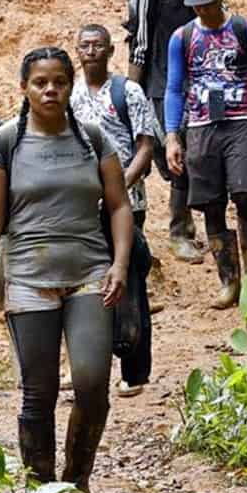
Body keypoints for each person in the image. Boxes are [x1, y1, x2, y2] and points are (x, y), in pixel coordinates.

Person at [0, 46, 134, 493]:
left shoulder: (93, 139)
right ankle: (42, 491)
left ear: (70, 85)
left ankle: (78, 482)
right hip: (27, 278)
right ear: (24, 87)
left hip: (90, 274)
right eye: (40, 82)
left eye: (59, 81)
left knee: (91, 384)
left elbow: (119, 207)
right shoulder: (4, 144)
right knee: (37, 392)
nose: (50, 90)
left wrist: (119, 264)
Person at [163, 0, 247, 309]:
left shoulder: (246, 29)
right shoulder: (182, 38)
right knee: (210, 203)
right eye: (197, 5)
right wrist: (173, 135)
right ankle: (229, 279)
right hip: (200, 126)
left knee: (245, 193)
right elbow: (174, 88)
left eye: (209, 3)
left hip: (240, 120)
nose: (204, 11)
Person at [71, 24, 160, 399]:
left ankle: (134, 369)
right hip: (80, 206)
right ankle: (87, 366)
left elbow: (145, 145)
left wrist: (119, 185)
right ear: (77, 51)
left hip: (127, 202)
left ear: (110, 51)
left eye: (98, 45)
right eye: (84, 45)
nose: (91, 51)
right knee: (85, 284)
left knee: (129, 281)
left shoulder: (129, 92)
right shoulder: (68, 94)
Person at [124, 0, 207, 263]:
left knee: (186, 159)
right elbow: (140, 44)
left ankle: (182, 228)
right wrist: (132, 94)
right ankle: (168, 232)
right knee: (166, 157)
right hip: (159, 85)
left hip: (193, 88)